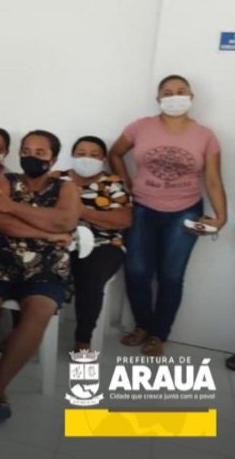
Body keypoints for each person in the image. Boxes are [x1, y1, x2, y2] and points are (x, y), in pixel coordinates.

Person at [0, 130, 79, 430]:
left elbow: (66, 220)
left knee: (39, 312)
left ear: (53, 159)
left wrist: (13, 208)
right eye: (27, 151)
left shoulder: (65, 187)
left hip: (46, 269)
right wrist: (47, 232)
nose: (31, 156)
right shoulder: (5, 180)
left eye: (40, 153)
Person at [109, 75, 227, 356]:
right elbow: (115, 154)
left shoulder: (206, 135)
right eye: (167, 92)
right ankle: (142, 325)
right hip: (142, 207)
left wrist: (221, 217)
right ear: (159, 99)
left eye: (181, 91)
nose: (174, 96)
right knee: (137, 271)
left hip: (185, 211)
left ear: (191, 97)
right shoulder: (140, 127)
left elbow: (212, 178)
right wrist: (125, 182)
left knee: (171, 275)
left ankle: (159, 334)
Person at [63, 136, 132, 350]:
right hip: (60, 240)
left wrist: (83, 212)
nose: (87, 159)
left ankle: (83, 339)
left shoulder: (113, 184)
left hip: (103, 244)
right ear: (72, 155)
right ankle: (22, 330)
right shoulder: (57, 180)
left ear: (103, 159)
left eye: (94, 155)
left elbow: (124, 220)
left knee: (91, 277)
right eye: (81, 153)